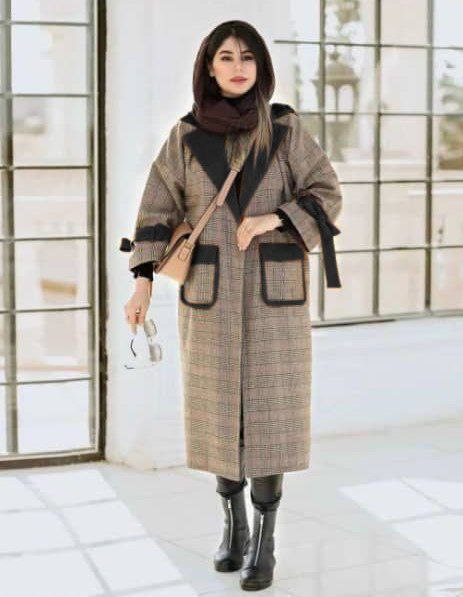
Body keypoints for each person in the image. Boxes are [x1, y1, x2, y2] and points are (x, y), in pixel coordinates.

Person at [121, 20, 343, 592]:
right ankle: (233, 524)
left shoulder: (286, 130)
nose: (237, 67)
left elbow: (326, 192)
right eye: (226, 57)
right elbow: (156, 210)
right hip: (210, 293)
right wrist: (142, 282)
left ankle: (265, 540)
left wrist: (274, 218)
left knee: (271, 414)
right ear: (209, 66)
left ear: (260, 66)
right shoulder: (185, 136)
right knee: (217, 412)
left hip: (275, 295)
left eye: (247, 57)